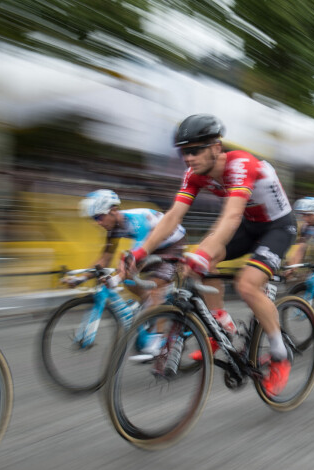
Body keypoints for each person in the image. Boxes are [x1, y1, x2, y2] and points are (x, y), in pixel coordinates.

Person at [121, 114, 296, 396]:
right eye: (183, 152)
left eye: (195, 150)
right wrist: (139, 251)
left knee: (246, 285)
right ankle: (222, 327)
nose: (188, 157)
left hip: (277, 226)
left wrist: (204, 253)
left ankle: (280, 353)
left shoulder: (241, 164)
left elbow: (231, 214)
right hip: (247, 226)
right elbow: (171, 218)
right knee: (198, 262)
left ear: (216, 147)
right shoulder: (194, 174)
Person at [69, 189, 187, 357]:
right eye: (94, 219)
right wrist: (82, 277)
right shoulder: (113, 228)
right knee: (127, 278)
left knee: (154, 287)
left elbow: (135, 257)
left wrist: (117, 277)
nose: (97, 223)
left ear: (113, 211)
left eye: (99, 217)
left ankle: (158, 340)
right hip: (152, 247)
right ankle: (149, 306)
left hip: (172, 243)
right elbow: (105, 258)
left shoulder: (136, 221)